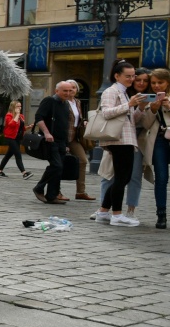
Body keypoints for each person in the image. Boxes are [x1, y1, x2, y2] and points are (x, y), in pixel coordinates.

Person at [93, 67, 153, 224]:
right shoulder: (111, 91)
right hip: (118, 139)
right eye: (128, 76)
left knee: (122, 178)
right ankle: (117, 215)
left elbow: (129, 119)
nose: (131, 79)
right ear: (117, 76)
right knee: (121, 178)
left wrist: (139, 107)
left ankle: (104, 212)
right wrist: (130, 104)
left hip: (126, 139)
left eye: (133, 76)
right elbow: (106, 113)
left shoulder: (123, 92)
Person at [32, 82, 78, 205]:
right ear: (57, 91)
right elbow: (39, 118)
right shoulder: (49, 101)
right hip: (50, 140)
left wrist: (67, 143)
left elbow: (64, 124)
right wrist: (47, 133)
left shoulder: (65, 103)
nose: (68, 93)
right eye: (65, 91)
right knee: (56, 166)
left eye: (69, 91)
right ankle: (39, 188)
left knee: (59, 168)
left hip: (62, 141)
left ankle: (52, 195)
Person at [148, 67, 169, 229]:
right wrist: (153, 110)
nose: (156, 86)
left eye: (160, 83)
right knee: (161, 178)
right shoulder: (149, 99)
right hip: (160, 141)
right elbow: (145, 124)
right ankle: (161, 214)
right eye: (153, 83)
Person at [65, 83, 94, 200]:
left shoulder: (77, 102)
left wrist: (84, 122)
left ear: (77, 90)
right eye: (69, 88)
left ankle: (80, 192)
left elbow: (78, 118)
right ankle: (55, 190)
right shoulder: (62, 102)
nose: (71, 90)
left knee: (82, 160)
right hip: (64, 137)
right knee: (58, 164)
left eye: (73, 88)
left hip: (75, 137)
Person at [0, 100, 32, 179]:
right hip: (10, 137)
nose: (19, 108)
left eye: (20, 106)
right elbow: (12, 124)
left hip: (17, 138)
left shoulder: (21, 116)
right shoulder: (9, 115)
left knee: (8, 155)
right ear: (13, 107)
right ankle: (24, 173)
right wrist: (17, 114)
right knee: (18, 154)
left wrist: (29, 127)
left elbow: (21, 129)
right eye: (17, 106)